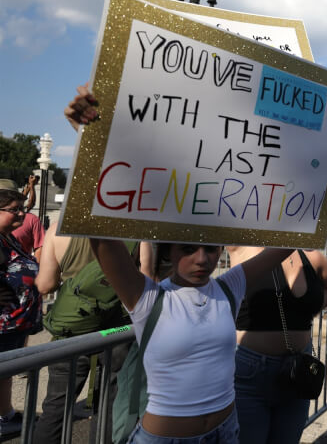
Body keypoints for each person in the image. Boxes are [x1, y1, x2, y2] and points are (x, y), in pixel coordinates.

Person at [66, 85, 296, 443]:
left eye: (211, 249)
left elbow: (292, 238)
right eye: (189, 249)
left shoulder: (228, 287)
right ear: (168, 251)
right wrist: (89, 138)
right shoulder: (147, 299)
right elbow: (99, 234)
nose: (202, 259)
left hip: (227, 432)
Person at [226, 246, 327, 444]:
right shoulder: (241, 247)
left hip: (297, 375)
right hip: (248, 373)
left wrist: (304, 313)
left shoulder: (312, 255)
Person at [32, 231, 130, 444]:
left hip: (72, 329)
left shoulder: (59, 229)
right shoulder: (129, 229)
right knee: (107, 403)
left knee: (57, 404)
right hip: (115, 331)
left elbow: (45, 285)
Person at [0, 187, 43, 437]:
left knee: (5, 373)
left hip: (16, 322)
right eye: (14, 210)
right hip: (5, 323)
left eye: (22, 209)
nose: (21, 214)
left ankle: (5, 414)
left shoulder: (9, 237)